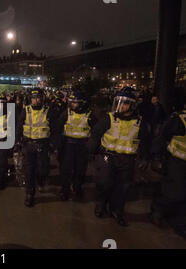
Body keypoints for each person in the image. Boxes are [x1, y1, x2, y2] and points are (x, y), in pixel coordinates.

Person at [88, 87, 150, 227]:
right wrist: (91, 151)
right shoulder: (109, 118)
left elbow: (146, 141)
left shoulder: (140, 123)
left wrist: (146, 158)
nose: (121, 106)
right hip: (108, 157)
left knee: (122, 188)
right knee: (104, 183)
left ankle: (117, 211)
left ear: (132, 106)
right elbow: (96, 134)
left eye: (125, 103)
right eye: (119, 102)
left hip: (127, 160)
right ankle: (101, 205)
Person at [149, 90, 185, 238]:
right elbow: (162, 136)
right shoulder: (179, 119)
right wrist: (155, 156)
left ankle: (181, 224)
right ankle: (157, 210)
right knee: (173, 192)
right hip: (177, 162)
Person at [17, 89, 57, 207]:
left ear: (42, 99)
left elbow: (55, 130)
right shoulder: (26, 111)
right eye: (33, 98)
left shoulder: (48, 111)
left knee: (42, 170)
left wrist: (53, 145)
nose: (35, 100)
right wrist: (17, 142)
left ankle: (40, 180)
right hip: (28, 145)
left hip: (43, 146)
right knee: (29, 171)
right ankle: (30, 194)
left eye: (38, 97)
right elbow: (19, 127)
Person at [56, 91, 95, 201]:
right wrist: (58, 145)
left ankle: (77, 188)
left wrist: (91, 146)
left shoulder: (89, 115)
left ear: (81, 103)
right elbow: (58, 128)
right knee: (65, 170)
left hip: (82, 147)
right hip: (68, 145)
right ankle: (65, 190)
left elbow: (96, 132)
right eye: (71, 102)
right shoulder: (66, 113)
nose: (72, 105)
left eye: (75, 103)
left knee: (80, 170)